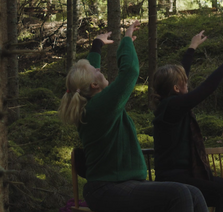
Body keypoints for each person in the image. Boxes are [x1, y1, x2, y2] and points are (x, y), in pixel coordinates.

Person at [58, 21, 208, 212]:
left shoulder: (90, 102)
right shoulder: (100, 106)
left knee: (193, 192)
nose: (99, 69)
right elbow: (129, 71)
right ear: (94, 85)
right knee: (179, 193)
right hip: (108, 189)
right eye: (97, 71)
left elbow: (88, 72)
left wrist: (97, 43)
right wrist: (127, 40)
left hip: (120, 184)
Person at [151, 30, 223, 212]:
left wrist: (192, 47)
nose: (187, 83)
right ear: (176, 88)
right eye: (184, 82)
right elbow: (207, 88)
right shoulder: (171, 106)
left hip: (191, 173)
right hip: (174, 177)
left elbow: (182, 72)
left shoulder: (173, 102)